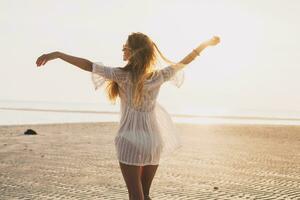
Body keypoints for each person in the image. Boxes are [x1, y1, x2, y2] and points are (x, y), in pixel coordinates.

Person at [36, 32, 220, 200]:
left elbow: (88, 65)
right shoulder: (159, 76)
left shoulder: (121, 75)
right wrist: (205, 44)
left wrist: (58, 54)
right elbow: (185, 61)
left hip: (129, 140)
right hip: (153, 141)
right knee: (145, 195)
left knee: (135, 196)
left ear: (132, 51)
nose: (122, 50)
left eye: (124, 47)